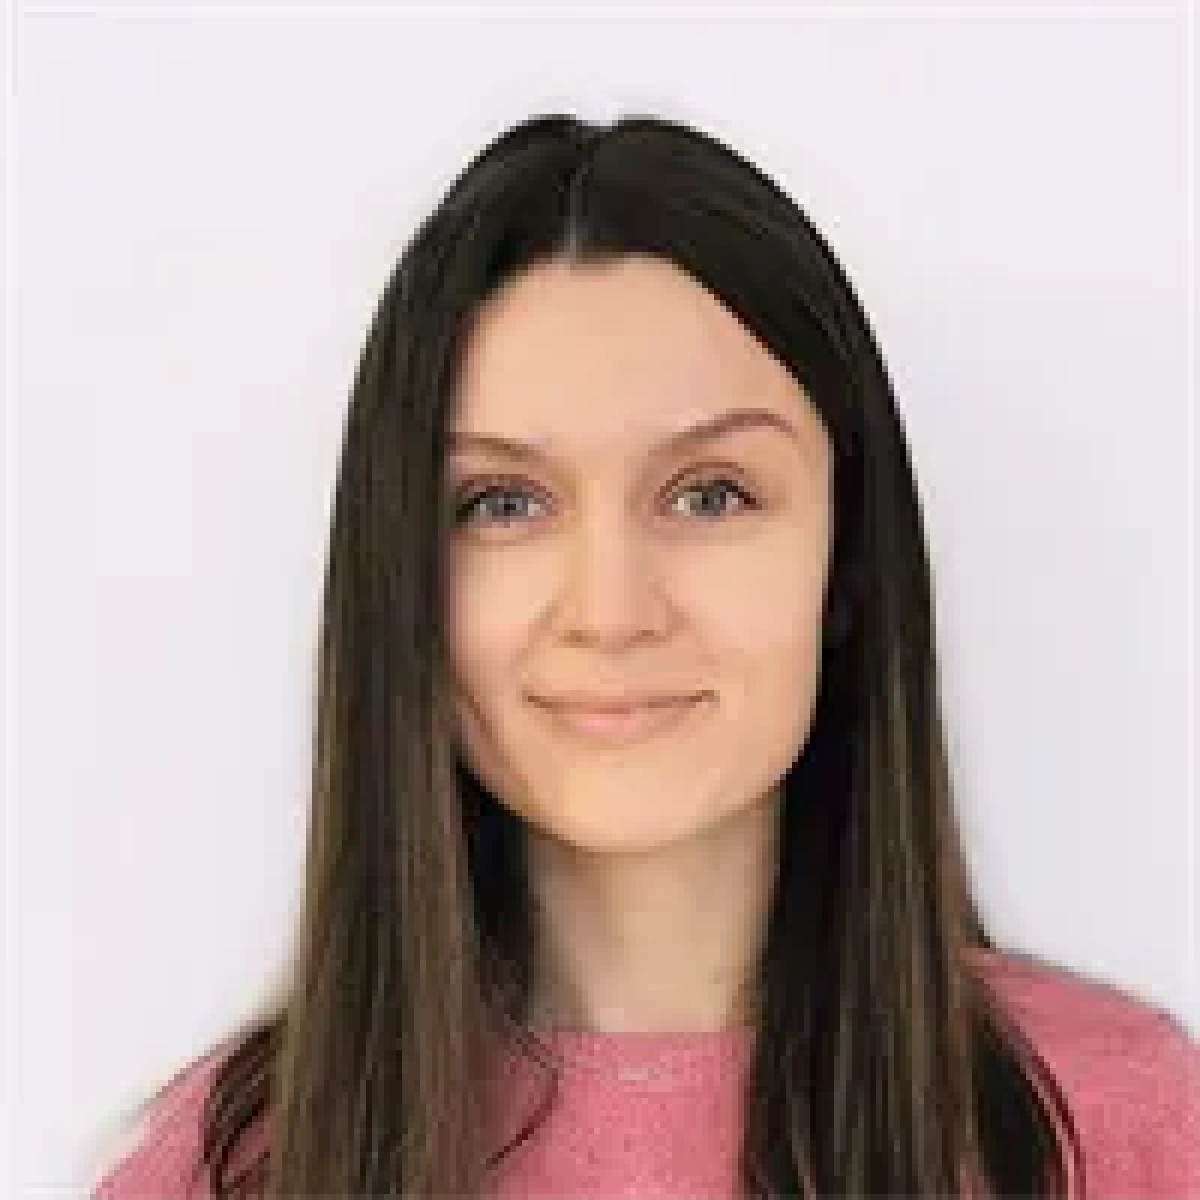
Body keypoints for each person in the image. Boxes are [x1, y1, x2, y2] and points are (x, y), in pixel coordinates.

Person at [89, 112, 1196, 1199]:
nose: (610, 612)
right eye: (503, 502)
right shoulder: (230, 1174)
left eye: (710, 494)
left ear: (847, 559)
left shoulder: (1120, 1131)